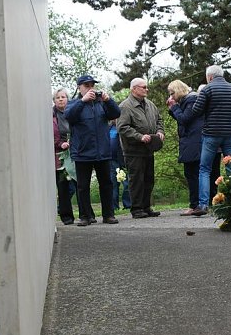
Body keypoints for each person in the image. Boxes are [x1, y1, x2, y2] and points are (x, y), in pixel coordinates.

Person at [64, 74, 121, 226]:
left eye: (92, 85)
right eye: (87, 85)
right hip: (83, 152)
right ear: (79, 87)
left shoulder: (101, 103)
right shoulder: (73, 104)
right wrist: (83, 101)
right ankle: (85, 216)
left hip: (102, 151)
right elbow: (68, 116)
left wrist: (108, 100)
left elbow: (116, 113)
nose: (90, 88)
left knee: (107, 184)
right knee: (83, 186)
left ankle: (108, 215)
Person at [190, 65, 231, 216]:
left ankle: (203, 204)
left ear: (209, 77)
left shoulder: (208, 89)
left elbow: (196, 111)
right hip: (230, 134)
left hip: (211, 134)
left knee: (205, 169)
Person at [167, 79, 219, 216]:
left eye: (172, 93)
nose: (171, 97)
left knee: (192, 173)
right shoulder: (190, 100)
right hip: (194, 141)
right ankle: (205, 203)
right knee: (201, 173)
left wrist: (174, 108)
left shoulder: (191, 100)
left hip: (193, 142)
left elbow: (185, 119)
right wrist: (173, 110)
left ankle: (195, 204)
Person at [118, 78, 165, 219]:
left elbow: (159, 120)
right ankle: (137, 208)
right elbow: (122, 127)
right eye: (143, 87)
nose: (147, 89)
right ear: (134, 89)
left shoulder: (150, 105)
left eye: (146, 87)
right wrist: (139, 136)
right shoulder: (125, 106)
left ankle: (146, 207)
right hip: (133, 151)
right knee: (136, 180)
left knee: (149, 179)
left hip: (149, 149)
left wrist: (160, 131)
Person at [52, 88, 76, 225]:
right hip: (59, 156)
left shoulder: (73, 113)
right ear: (54, 100)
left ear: (68, 99)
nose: (61, 99)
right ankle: (66, 216)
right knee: (63, 185)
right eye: (57, 97)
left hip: (75, 153)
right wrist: (60, 144)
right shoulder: (51, 115)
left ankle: (87, 214)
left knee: (78, 184)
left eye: (63, 97)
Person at [108, 120, 132, 211]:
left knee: (127, 184)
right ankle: (114, 207)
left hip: (123, 160)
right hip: (111, 161)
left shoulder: (124, 128)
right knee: (113, 185)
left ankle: (128, 204)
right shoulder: (108, 128)